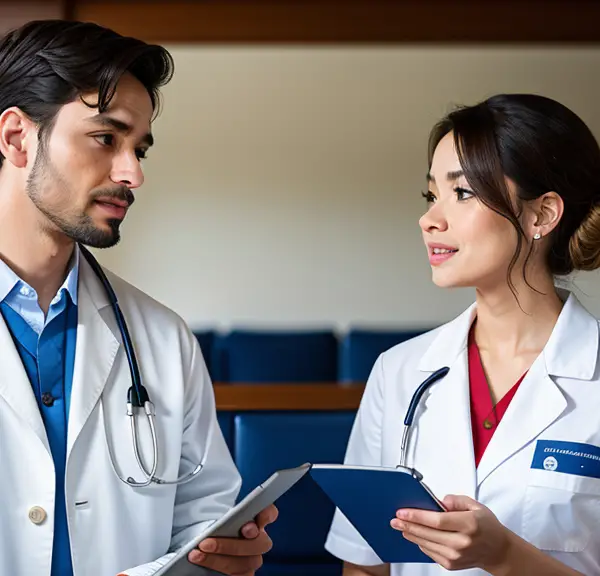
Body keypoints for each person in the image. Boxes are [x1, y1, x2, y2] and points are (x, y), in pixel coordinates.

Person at [0, 19, 277, 576]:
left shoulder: (162, 338)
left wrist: (219, 554)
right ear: (16, 138)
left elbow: (202, 515)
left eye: (139, 149)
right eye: (106, 138)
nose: (132, 174)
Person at [325, 93, 600, 575]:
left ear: (542, 215)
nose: (430, 219)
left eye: (464, 193)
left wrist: (504, 555)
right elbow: (365, 564)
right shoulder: (399, 371)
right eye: (432, 194)